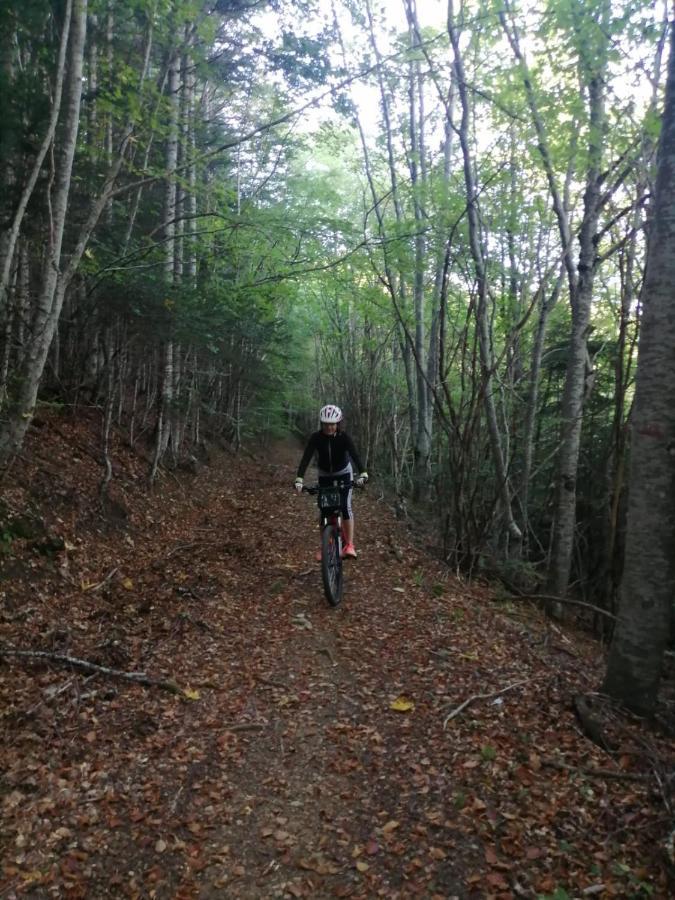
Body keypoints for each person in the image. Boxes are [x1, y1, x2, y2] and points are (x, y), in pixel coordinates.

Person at [294, 404, 368, 559]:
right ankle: (326, 546)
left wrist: (363, 473)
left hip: (343, 473)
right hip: (325, 474)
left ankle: (349, 545)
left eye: (332, 424)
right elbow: (306, 457)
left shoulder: (344, 437)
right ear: (322, 424)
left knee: (345, 506)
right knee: (325, 510)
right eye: (326, 424)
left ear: (338, 424)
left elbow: (354, 454)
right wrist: (299, 478)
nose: (329, 427)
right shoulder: (316, 437)